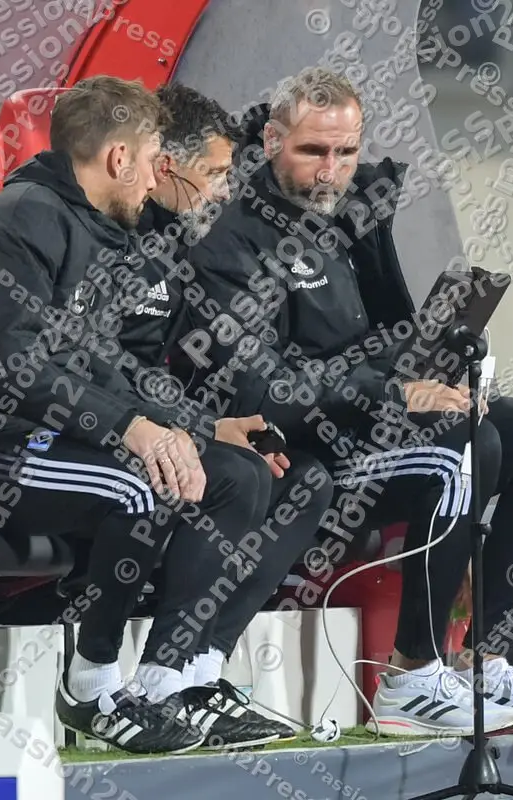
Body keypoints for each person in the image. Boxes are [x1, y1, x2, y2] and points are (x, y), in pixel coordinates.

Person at [0, 75, 295, 755]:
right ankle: (93, 688)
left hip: (31, 432)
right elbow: (18, 369)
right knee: (136, 484)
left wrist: (198, 430)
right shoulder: (20, 220)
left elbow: (104, 366)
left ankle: (168, 682)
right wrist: (133, 431)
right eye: (155, 155)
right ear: (118, 159)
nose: (158, 173)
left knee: (233, 475)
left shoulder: (98, 230)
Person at [178, 66, 513, 739]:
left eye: (345, 152)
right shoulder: (234, 238)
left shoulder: (344, 221)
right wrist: (397, 391)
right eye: (313, 151)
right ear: (272, 139)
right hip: (298, 450)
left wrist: (441, 365)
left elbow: (364, 346)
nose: (331, 171)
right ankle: (412, 676)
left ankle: (489, 661)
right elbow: (260, 386)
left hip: (370, 423)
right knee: (464, 446)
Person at [133, 82, 335, 746]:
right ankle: (151, 683)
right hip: (82, 436)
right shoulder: (106, 237)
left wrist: (214, 426)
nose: (225, 190)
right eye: (216, 174)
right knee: (240, 477)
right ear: (166, 165)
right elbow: (88, 373)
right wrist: (195, 432)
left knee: (303, 477)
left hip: (157, 422)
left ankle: (200, 665)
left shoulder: (171, 239)